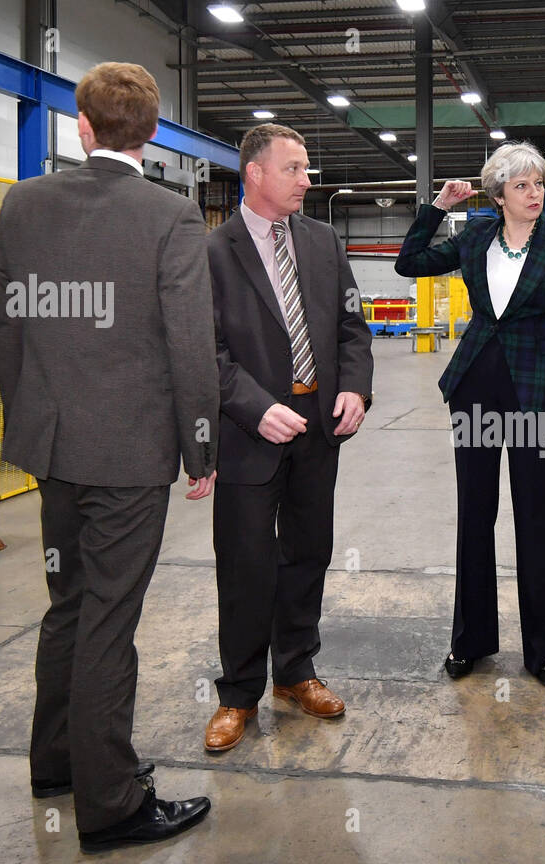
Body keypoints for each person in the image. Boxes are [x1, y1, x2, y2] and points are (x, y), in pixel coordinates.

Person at [0, 62, 219, 850]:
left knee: (69, 607)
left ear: (80, 126)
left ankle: (57, 763)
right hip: (127, 455)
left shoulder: (22, 204)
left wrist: (30, 426)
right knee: (108, 625)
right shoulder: (169, 216)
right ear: (151, 133)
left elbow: (8, 327)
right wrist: (200, 448)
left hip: (53, 449)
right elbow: (191, 344)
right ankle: (113, 803)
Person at [394, 142, 545, 686]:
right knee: (474, 515)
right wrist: (436, 207)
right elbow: (409, 263)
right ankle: (471, 640)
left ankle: (543, 648)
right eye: (524, 186)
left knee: (535, 518)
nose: (536, 194)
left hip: (536, 392)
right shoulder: (474, 236)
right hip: (476, 389)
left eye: (540, 184)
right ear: (499, 194)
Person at [203, 124, 373, 752]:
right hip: (251, 434)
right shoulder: (213, 251)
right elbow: (206, 350)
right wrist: (254, 407)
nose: (308, 180)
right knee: (246, 563)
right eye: (295, 169)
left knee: (308, 552)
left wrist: (354, 387)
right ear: (255, 173)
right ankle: (238, 692)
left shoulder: (324, 240)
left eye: (307, 168)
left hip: (318, 430)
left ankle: (296, 670)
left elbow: (353, 328)